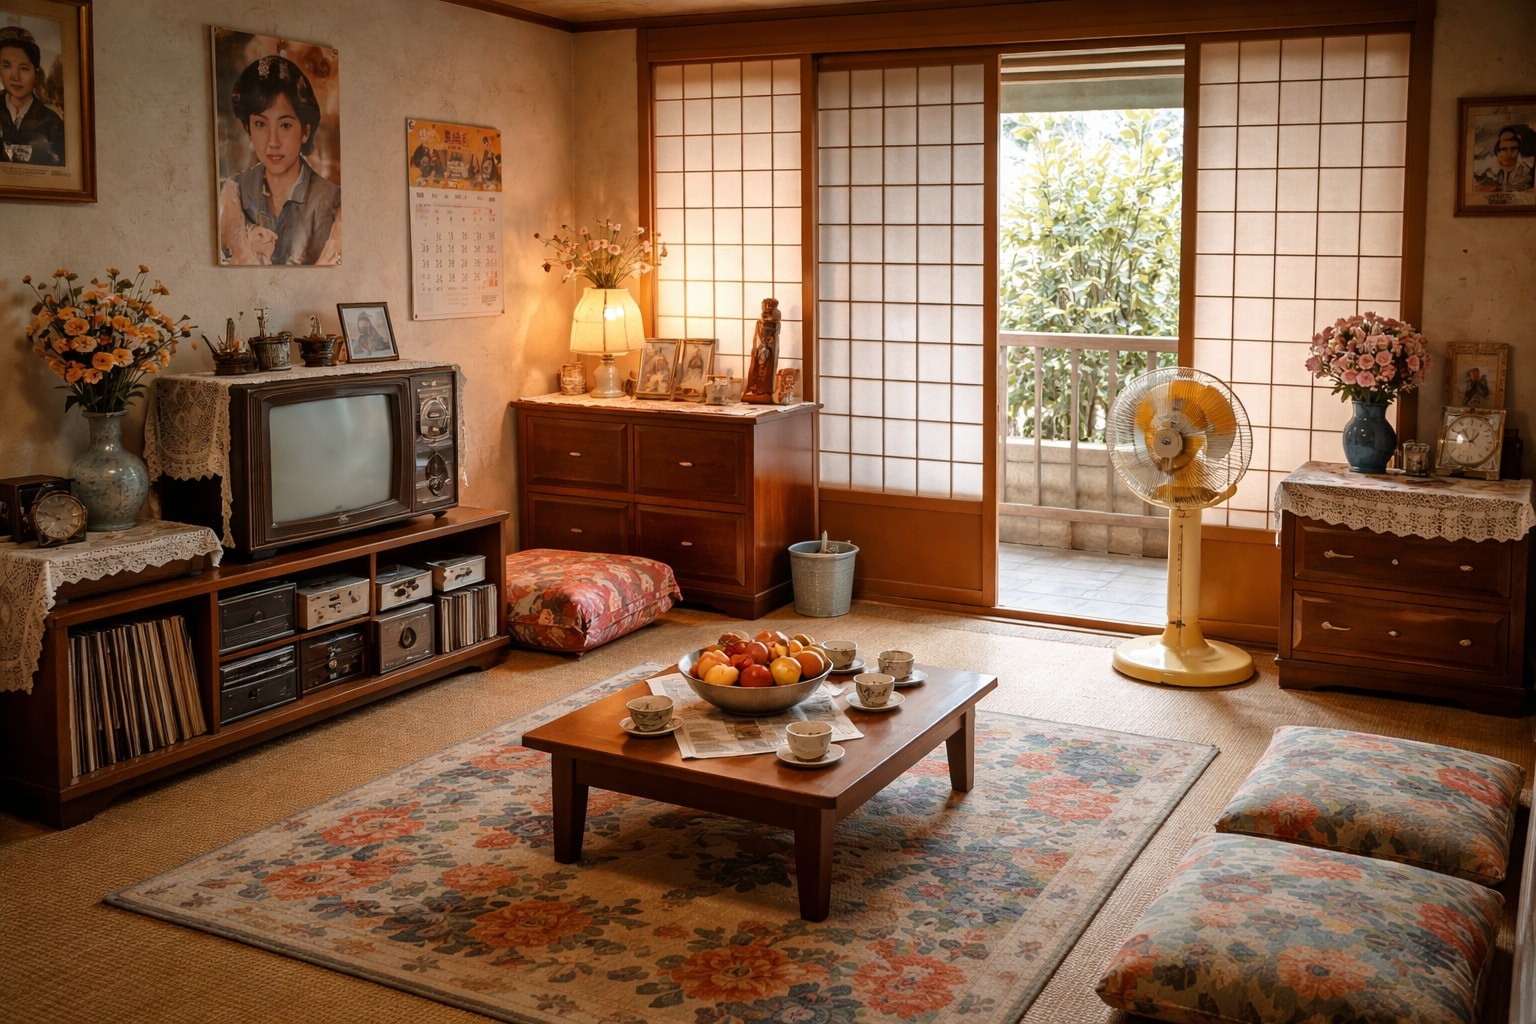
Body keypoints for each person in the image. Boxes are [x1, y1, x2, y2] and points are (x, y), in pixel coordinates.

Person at [217, 55, 341, 265]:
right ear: (248, 129)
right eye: (260, 124)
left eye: (285, 125)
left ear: (305, 131)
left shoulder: (332, 201)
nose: (272, 142)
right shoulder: (230, 191)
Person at [0, 27, 64, 166]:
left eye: (23, 68)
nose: (14, 77)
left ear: (36, 73)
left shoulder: (52, 123)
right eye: (6, 66)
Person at [1474, 124, 1535, 193]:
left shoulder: (1527, 169)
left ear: (1518, 150)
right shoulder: (1486, 170)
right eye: (1504, 149)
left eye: (1513, 148)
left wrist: (1495, 189)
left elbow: (1524, 188)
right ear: (1497, 152)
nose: (1509, 153)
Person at [743, 297, 781, 402]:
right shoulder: (759, 323)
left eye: (770, 307)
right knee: (758, 368)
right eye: (765, 306)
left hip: (768, 349)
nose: (767, 309)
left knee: (766, 369)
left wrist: (768, 342)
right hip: (760, 348)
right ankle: (756, 389)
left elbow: (773, 337)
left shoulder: (775, 323)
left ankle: (765, 390)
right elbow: (758, 337)